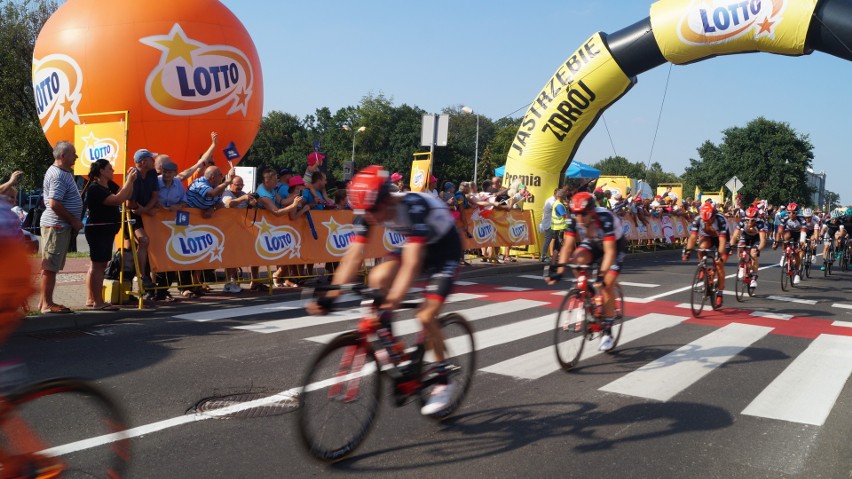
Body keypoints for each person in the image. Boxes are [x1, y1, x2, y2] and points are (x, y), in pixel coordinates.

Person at [306, 165, 462, 416]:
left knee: (424, 315)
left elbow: (411, 264)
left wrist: (391, 302)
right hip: (417, 246)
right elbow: (352, 258)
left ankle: (443, 377)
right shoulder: (369, 211)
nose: (369, 217)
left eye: (373, 211)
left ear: (387, 199)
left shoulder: (412, 207)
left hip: (445, 251)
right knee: (377, 277)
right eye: (363, 212)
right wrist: (330, 298)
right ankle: (394, 347)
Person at [545, 191, 627, 351]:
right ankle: (587, 293)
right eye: (576, 213)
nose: (579, 217)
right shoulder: (573, 219)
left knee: (606, 285)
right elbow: (567, 247)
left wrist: (603, 276)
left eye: (583, 213)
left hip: (614, 246)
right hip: (594, 243)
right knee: (576, 259)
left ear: (591, 211)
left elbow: (610, 252)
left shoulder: (604, 218)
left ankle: (607, 332)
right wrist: (560, 271)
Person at [84, 159, 137, 310]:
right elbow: (117, 199)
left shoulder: (109, 185)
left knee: (99, 264)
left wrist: (130, 182)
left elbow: (125, 194)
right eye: (110, 168)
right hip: (98, 231)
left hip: (107, 231)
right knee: (98, 266)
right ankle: (98, 302)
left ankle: (92, 299)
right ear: (101, 170)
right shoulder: (95, 188)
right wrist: (130, 180)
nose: (113, 171)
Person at [38, 141, 83, 314]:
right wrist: (73, 220)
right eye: (73, 154)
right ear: (63, 156)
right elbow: (54, 203)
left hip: (57, 225)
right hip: (56, 225)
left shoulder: (62, 172)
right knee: (50, 266)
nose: (76, 157)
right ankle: (46, 304)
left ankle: (44, 302)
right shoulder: (58, 175)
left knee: (52, 266)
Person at [682, 202, 730, 307]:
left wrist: (719, 256)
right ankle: (702, 266)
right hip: (708, 236)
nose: (706, 222)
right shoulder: (698, 219)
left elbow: (722, 242)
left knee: (719, 265)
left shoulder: (720, 220)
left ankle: (720, 293)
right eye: (705, 221)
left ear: (713, 216)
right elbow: (693, 237)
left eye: (709, 220)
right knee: (701, 247)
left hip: (723, 239)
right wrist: (688, 251)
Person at [127, 148, 160, 292]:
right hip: (132, 215)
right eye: (151, 159)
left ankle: (152, 279)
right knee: (143, 241)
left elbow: (155, 195)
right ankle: (142, 276)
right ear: (143, 162)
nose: (154, 161)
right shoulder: (133, 175)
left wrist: (145, 210)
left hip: (145, 211)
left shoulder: (152, 173)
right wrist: (144, 210)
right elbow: (130, 203)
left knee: (153, 242)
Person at [221, 175, 261, 292]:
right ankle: (229, 282)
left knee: (240, 256)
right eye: (237, 185)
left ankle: (241, 281)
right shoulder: (226, 193)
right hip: (228, 231)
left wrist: (253, 204)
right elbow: (229, 204)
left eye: (241, 185)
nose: (239, 187)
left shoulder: (244, 193)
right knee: (231, 257)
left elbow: (250, 209)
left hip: (243, 231)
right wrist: (243, 198)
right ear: (230, 184)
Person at [729, 206, 767, 289]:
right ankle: (741, 265)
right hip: (745, 236)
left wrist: (758, 249)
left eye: (752, 220)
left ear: (756, 219)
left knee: (753, 254)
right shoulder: (742, 222)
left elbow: (763, 240)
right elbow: (735, 236)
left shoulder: (760, 224)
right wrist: (731, 246)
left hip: (756, 238)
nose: (749, 222)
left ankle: (754, 276)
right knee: (740, 246)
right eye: (747, 220)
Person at [773, 203, 804, 285]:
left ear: (797, 213)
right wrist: (776, 242)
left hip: (799, 234)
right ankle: (784, 254)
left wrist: (802, 242)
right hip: (789, 232)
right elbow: (779, 232)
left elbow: (804, 232)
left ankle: (797, 273)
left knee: (797, 253)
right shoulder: (785, 218)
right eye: (789, 212)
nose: (791, 214)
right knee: (785, 238)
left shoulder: (801, 219)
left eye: (793, 212)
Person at [539, 188, 557, 262]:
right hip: (548, 223)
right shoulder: (551, 201)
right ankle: (543, 256)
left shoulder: (553, 200)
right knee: (547, 240)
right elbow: (556, 209)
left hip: (552, 223)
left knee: (552, 240)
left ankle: (548, 255)